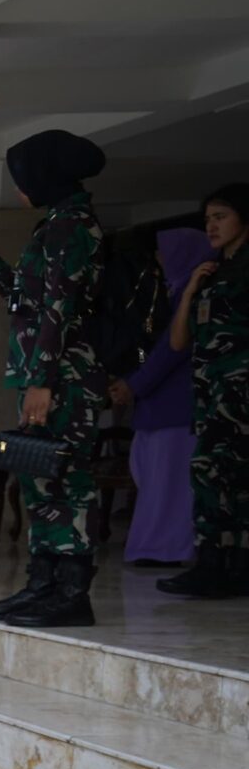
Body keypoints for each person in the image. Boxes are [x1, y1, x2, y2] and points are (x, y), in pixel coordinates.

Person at [0, 129, 110, 626]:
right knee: (40, 477)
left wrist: (42, 380)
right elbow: (27, 301)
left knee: (64, 478)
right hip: (46, 374)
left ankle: (70, 592)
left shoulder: (73, 230)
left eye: (22, 178)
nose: (19, 189)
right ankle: (43, 583)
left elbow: (59, 312)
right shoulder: (56, 226)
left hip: (63, 377)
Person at [161, 183, 249, 599]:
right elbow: (180, 342)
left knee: (219, 475)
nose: (211, 226)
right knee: (216, 476)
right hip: (212, 397)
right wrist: (191, 292)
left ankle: (223, 565)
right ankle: (217, 564)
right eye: (208, 219)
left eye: (221, 216)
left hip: (240, 397)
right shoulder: (212, 273)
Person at [112, 228, 213, 569]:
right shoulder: (171, 294)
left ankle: (165, 549)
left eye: (164, 253)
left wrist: (134, 386)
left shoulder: (194, 294)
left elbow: (172, 349)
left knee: (168, 486)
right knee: (157, 483)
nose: (157, 260)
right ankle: (158, 547)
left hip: (176, 408)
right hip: (160, 407)